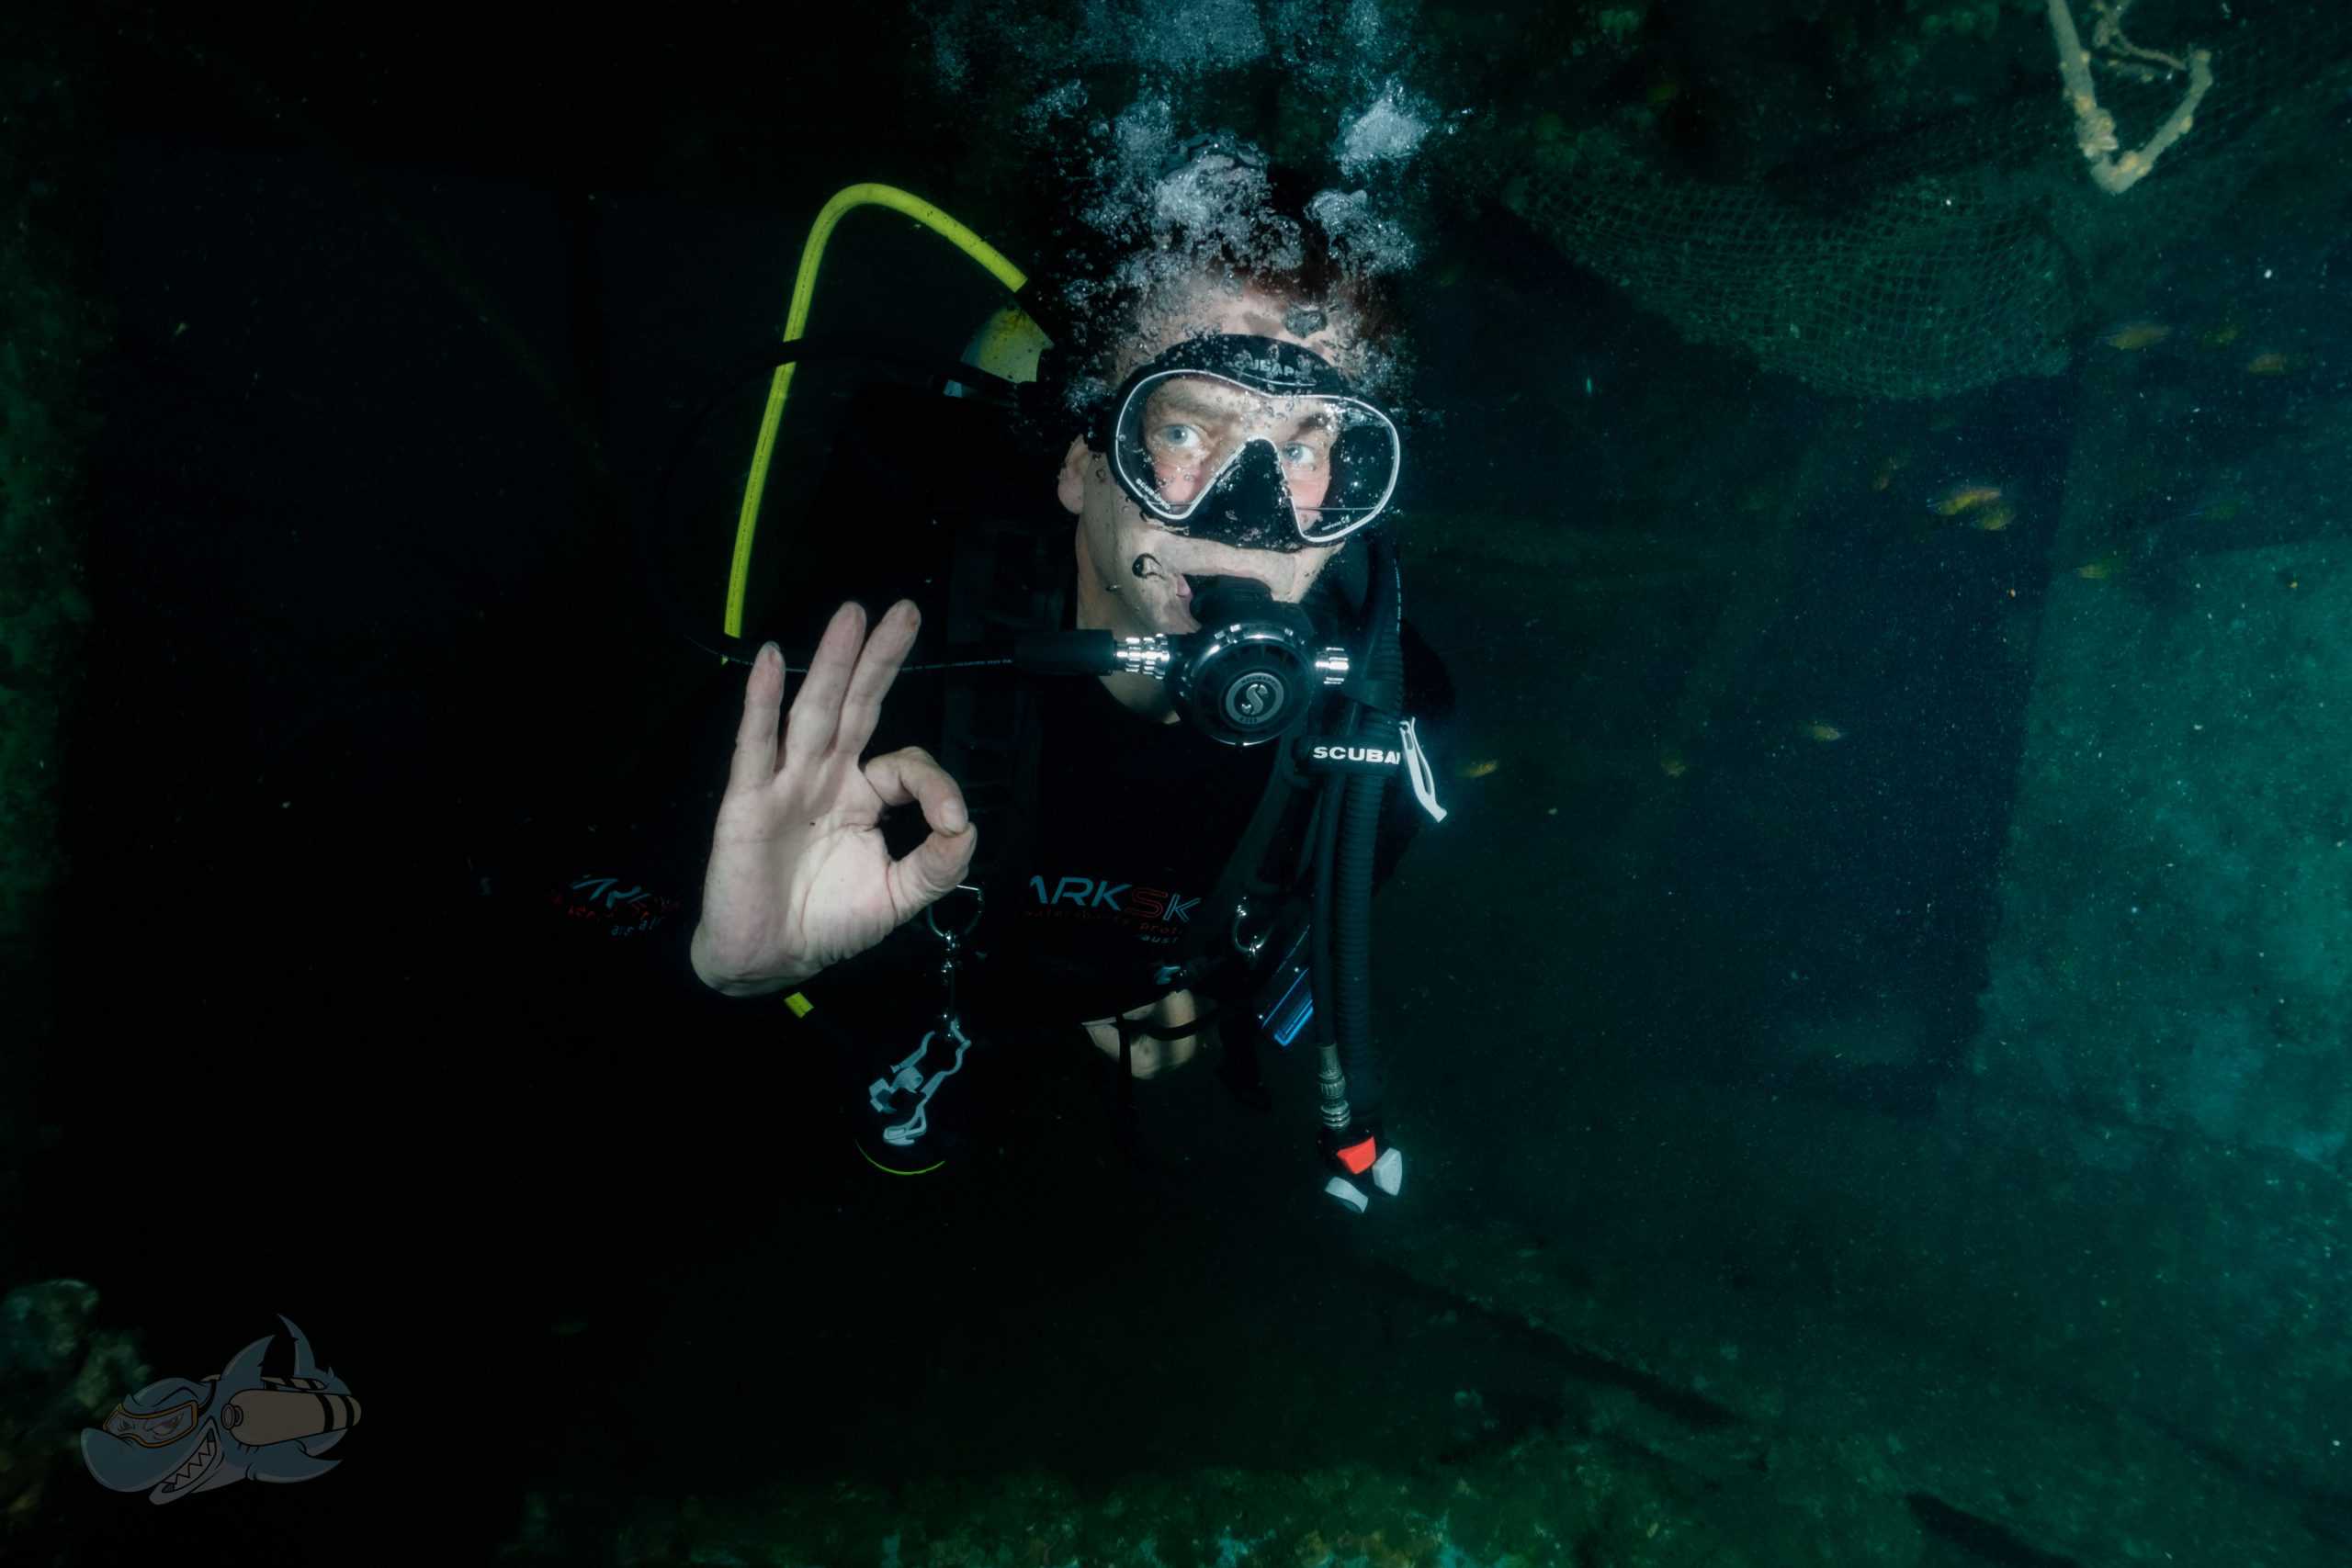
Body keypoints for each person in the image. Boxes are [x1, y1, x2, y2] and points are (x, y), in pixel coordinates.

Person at [686, 157, 1451, 1160]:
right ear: (1084, 467)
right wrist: (738, 974)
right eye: (1185, 430)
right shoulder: (876, 673)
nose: (1251, 513)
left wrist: (1189, 982)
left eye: (1305, 451)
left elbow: (1304, 935)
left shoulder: (1387, 731)